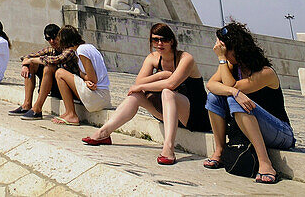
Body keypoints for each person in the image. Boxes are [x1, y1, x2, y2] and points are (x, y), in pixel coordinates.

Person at [83, 23, 210, 165]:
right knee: (135, 96)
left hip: (195, 116)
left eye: (164, 40)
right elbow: (138, 84)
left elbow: (170, 84)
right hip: (169, 114)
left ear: (172, 41)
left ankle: (168, 148)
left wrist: (145, 84)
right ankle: (104, 133)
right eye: (155, 40)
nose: (160, 43)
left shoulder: (185, 59)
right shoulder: (153, 58)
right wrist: (160, 75)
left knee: (168, 92)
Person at [203, 21, 294, 185]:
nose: (220, 51)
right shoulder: (231, 67)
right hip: (252, 126)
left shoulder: (266, 72)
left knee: (235, 99)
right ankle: (220, 150)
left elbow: (233, 86)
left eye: (224, 49)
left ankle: (265, 163)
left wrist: (222, 60)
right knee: (213, 97)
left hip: (281, 132)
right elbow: (211, 85)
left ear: (236, 49)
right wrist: (232, 90)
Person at [21, 25, 109, 124]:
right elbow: (90, 75)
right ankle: (28, 105)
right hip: (101, 96)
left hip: (97, 97)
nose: (53, 42)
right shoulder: (87, 47)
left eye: (56, 39)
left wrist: (86, 79)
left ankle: (70, 114)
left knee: (59, 73)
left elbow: (93, 79)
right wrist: (85, 78)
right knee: (53, 70)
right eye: (48, 39)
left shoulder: (79, 51)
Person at [9, 24, 77, 114]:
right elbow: (26, 56)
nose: (52, 41)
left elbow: (55, 60)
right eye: (49, 39)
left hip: (67, 87)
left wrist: (31, 60)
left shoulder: (68, 50)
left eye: (54, 37)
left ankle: (37, 108)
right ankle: (26, 104)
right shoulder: (51, 50)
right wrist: (25, 65)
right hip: (55, 86)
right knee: (32, 65)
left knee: (49, 67)